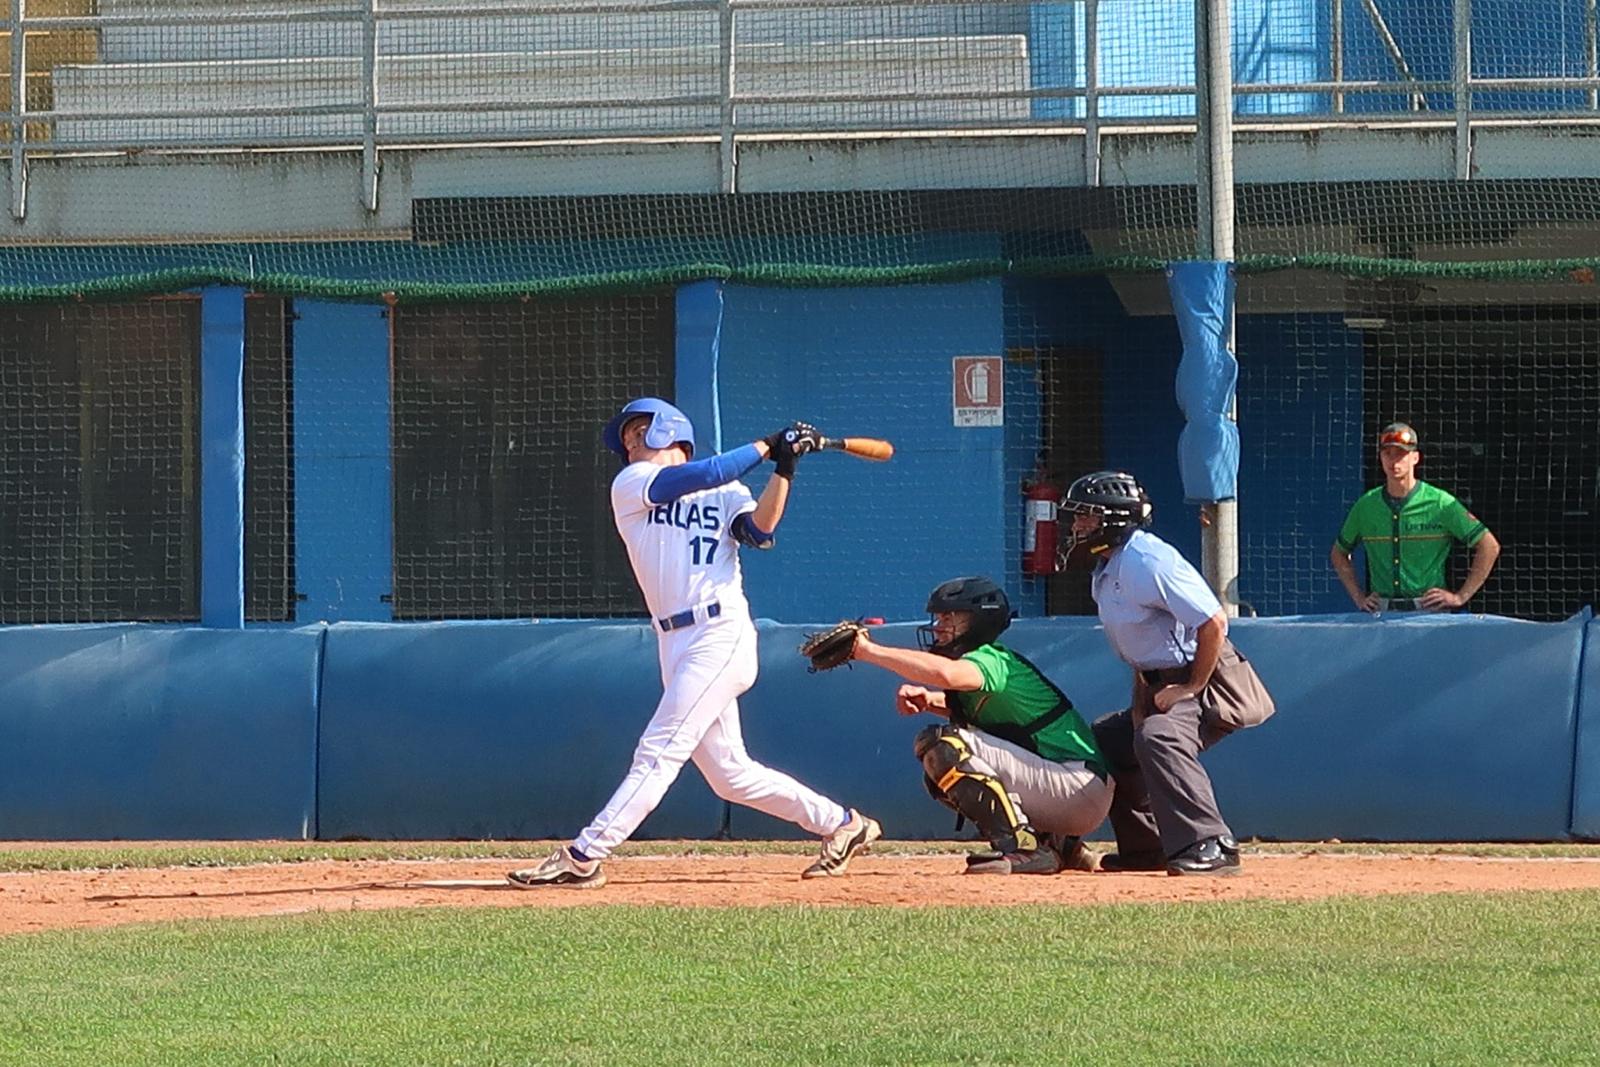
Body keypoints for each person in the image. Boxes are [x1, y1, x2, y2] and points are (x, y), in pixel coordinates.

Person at [508, 398, 880, 888]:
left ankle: (583, 856)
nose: (630, 440)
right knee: (731, 775)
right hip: (673, 640)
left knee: (659, 750)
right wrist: (770, 444)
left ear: (670, 431)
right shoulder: (633, 483)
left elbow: (759, 530)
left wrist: (784, 466)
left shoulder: (727, 490)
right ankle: (844, 824)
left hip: (719, 632)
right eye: (627, 434)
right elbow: (699, 476)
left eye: (639, 429)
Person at [1059, 470, 1276, 876]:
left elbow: (1213, 622)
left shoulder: (1147, 560)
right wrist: (1143, 699)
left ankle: (1212, 843)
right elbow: (1143, 646)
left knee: (1159, 737)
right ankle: (1149, 847)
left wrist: (1191, 686)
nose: (1077, 525)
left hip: (1205, 677)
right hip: (1156, 680)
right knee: (1108, 740)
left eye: (1087, 516)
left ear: (1114, 518)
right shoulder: (1109, 566)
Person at [849, 576, 1111, 875]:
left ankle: (1026, 849)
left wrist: (866, 651)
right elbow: (992, 718)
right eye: (939, 618)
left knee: (943, 747)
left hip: (1076, 786)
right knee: (942, 769)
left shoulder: (991, 658)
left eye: (950, 617)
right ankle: (1059, 845)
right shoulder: (985, 661)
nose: (939, 626)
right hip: (1074, 788)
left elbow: (947, 675)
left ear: (977, 621)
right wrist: (930, 701)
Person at [1330, 421, 1501, 614]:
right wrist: (1359, 597)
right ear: (1380, 458)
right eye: (1388, 453)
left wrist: (1460, 596)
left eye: (1401, 454)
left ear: (1415, 458)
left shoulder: (1440, 503)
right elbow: (1338, 553)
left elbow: (1489, 545)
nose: (1394, 461)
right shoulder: (1365, 506)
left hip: (1429, 612)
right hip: (1382, 612)